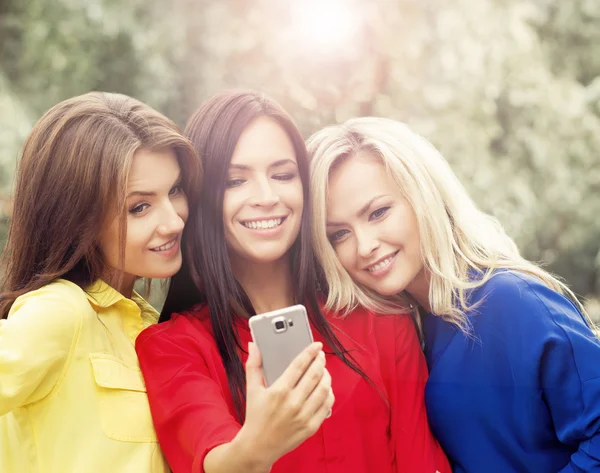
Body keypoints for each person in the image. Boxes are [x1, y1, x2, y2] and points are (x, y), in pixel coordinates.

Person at [135, 90, 450, 473]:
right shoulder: (174, 348)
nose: (267, 197)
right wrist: (258, 446)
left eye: (283, 175)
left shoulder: (378, 319)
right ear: (204, 197)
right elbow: (212, 459)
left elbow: (419, 460)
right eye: (236, 181)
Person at [307, 116, 600, 473]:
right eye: (339, 234)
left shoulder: (511, 301)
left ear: (422, 196)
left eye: (378, 212)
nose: (364, 246)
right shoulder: (414, 326)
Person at [0, 91, 202, 473]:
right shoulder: (60, 313)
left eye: (174, 190)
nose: (174, 221)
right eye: (139, 206)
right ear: (78, 217)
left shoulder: (148, 323)